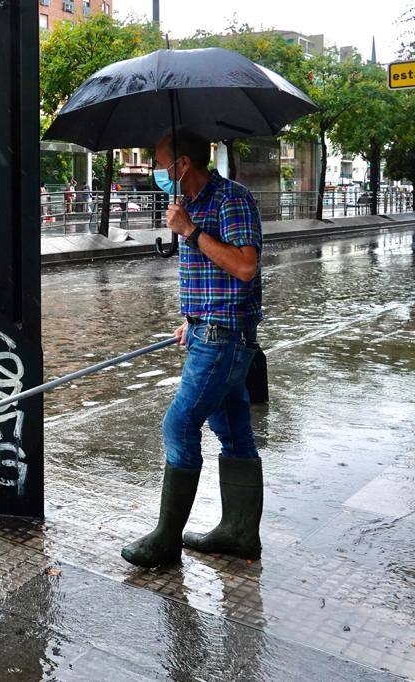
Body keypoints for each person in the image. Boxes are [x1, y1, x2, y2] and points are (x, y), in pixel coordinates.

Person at [122, 128, 264, 569]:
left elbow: (244, 267)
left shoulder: (230, 200)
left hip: (224, 338)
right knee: (233, 430)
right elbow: (209, 277)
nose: (157, 171)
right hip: (207, 331)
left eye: (161, 161)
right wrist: (191, 318)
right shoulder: (190, 205)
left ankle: (166, 540)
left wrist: (191, 231)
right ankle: (239, 533)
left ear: (182, 165)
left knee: (179, 426)